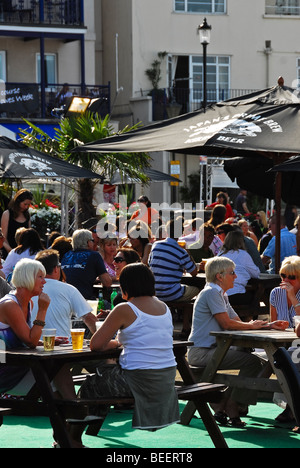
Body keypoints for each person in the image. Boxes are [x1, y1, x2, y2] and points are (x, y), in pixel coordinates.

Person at [71, 264, 180, 445]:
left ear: (125, 286)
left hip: (137, 381)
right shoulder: (164, 307)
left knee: (91, 385)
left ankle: (71, 439)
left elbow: (96, 345)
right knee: (103, 374)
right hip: (166, 379)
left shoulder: (124, 309)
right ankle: (82, 433)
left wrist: (114, 343)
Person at [188, 257, 288, 427]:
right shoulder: (212, 292)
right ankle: (233, 405)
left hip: (211, 350)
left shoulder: (219, 293)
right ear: (220, 276)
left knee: (252, 358)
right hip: (202, 352)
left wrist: (268, 325)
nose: (236, 276)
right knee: (254, 363)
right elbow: (227, 324)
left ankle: (227, 405)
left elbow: (238, 323)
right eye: (232, 273)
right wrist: (256, 326)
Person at [32, 250, 98, 338]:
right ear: (56, 269)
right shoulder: (68, 289)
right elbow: (88, 318)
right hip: (63, 347)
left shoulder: (28, 290)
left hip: (33, 345)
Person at [149, 219, 199, 334]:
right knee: (196, 290)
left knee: (180, 288)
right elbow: (194, 273)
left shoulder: (155, 245)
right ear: (181, 233)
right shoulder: (181, 252)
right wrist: (188, 254)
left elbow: (151, 263)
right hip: (170, 292)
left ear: (166, 231)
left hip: (154, 291)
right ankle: (186, 326)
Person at [61, 229, 112, 299]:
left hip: (65, 298)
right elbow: (107, 283)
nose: (94, 243)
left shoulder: (66, 255)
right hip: (84, 299)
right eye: (92, 241)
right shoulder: (94, 255)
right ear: (88, 242)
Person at [219, 230, 260, 305]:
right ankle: (248, 316)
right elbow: (256, 274)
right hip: (235, 294)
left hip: (218, 296)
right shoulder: (243, 254)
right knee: (255, 298)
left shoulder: (220, 254)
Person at [270, 256, 300, 328]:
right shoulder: (276, 293)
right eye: (283, 276)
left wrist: (293, 298)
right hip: (282, 337)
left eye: (291, 277)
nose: (286, 280)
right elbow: (273, 325)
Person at [1, 189, 33, 256]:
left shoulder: (27, 215)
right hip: (8, 252)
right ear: (18, 202)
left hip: (24, 253)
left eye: (28, 205)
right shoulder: (7, 214)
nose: (26, 207)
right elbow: (3, 238)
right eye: (24, 204)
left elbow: (29, 235)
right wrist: (11, 252)